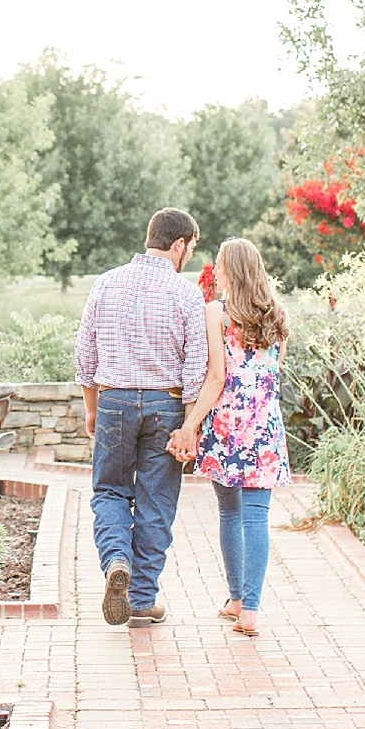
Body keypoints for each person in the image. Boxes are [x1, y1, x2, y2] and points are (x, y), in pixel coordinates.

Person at [73, 208, 208, 626]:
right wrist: (188, 426)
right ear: (180, 244)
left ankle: (117, 560)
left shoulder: (106, 283)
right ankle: (142, 598)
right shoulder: (185, 294)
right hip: (165, 405)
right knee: (156, 501)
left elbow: (84, 358)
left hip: (113, 400)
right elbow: (196, 368)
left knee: (111, 491)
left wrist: (93, 410)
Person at [168, 237, 290, 635]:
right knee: (257, 516)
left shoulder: (217, 313)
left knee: (229, 512)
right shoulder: (278, 316)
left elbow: (217, 377)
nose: (215, 270)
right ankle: (249, 609)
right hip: (266, 428)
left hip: (227, 428)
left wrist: (190, 425)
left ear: (232, 270)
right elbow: (272, 376)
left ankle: (237, 598)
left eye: (219, 265)